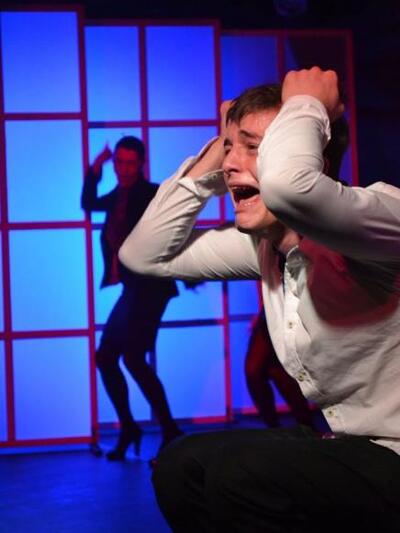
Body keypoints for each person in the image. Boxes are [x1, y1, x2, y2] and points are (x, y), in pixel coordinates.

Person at [118, 68, 400, 531]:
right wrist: (217, 153)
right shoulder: (264, 247)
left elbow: (292, 189)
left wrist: (308, 103)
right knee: (181, 465)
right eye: (231, 148)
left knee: (241, 474)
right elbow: (142, 255)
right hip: (354, 450)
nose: (231, 164)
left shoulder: (381, 218)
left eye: (255, 148)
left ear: (307, 154)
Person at [81, 136, 182, 461]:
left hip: (152, 287)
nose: (123, 169)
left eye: (130, 163)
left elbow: (175, 227)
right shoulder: (117, 196)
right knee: (106, 357)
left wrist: (189, 266)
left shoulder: (152, 194)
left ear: (140, 164)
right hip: (131, 289)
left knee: (133, 359)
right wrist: (94, 170)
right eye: (119, 163)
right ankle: (129, 427)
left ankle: (170, 431)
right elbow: (88, 203)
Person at [245, 307, 316, 429]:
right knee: (257, 371)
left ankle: (306, 425)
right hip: (271, 312)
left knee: (275, 370)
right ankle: (275, 427)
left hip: (289, 309)